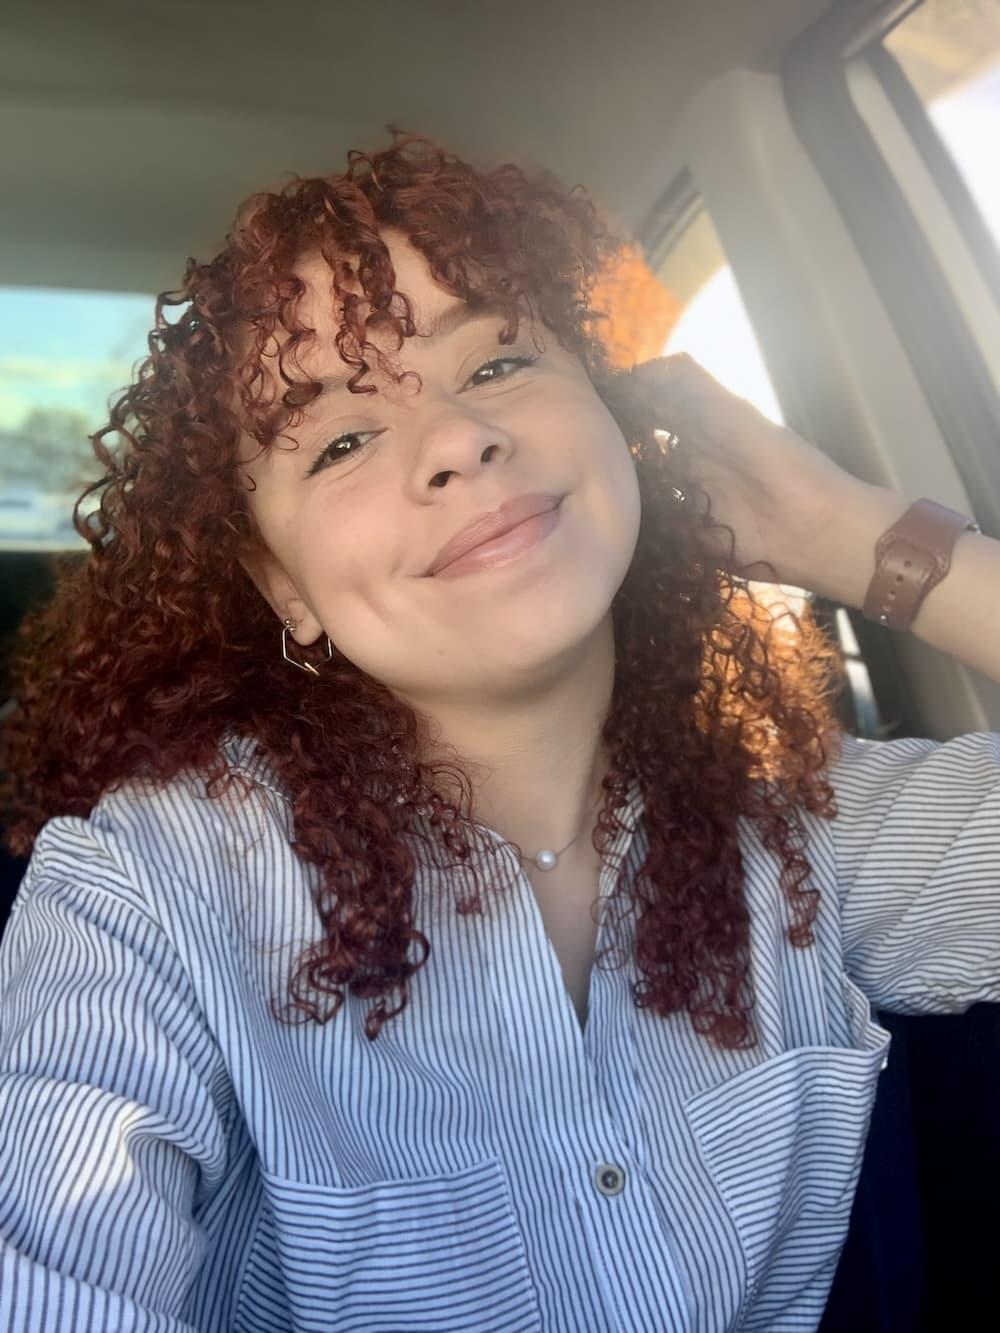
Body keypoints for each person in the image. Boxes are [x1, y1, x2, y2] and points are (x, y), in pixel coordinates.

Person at [0, 131, 997, 1333]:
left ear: (615, 416)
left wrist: (853, 534)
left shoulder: (805, 829)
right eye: (343, 440)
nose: (457, 442)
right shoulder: (146, 893)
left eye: (497, 363)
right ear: (286, 591)